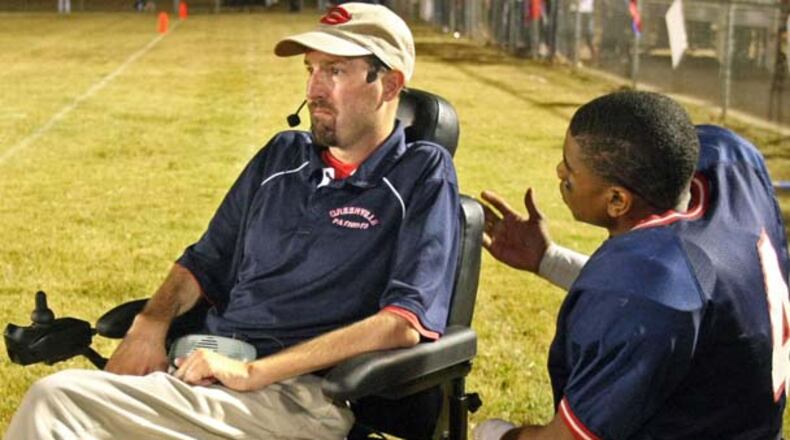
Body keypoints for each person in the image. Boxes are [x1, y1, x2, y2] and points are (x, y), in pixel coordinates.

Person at [5, 3, 460, 439]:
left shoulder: (420, 174)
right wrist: (150, 323)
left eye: (335, 72)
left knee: (56, 403)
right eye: (311, 70)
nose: (314, 90)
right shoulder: (283, 157)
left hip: (299, 396)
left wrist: (250, 372)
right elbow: (205, 263)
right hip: (209, 373)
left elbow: (403, 322)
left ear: (390, 84)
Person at [474, 91, 788, 439]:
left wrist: (495, 434)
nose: (559, 171)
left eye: (570, 171)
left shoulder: (651, 288)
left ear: (617, 200)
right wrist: (549, 260)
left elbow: (565, 439)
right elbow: (692, 296)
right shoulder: (732, 162)